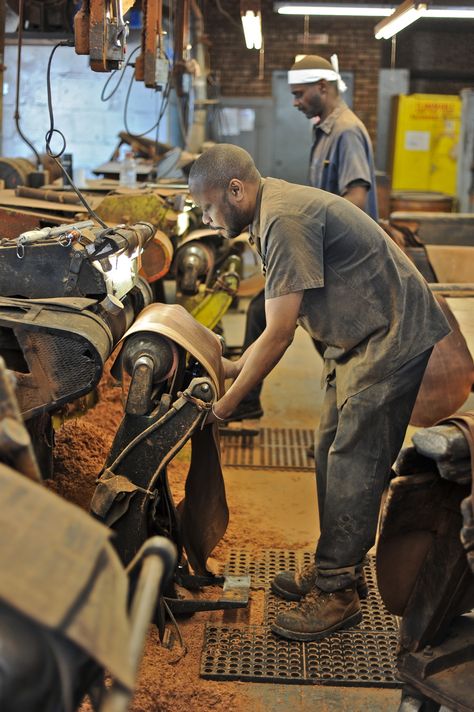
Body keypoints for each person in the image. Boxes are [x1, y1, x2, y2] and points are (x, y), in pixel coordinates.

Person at [188, 144, 449, 642]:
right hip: (356, 337)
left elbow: (280, 333)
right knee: (329, 449)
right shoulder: (266, 214)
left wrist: (223, 408)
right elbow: (275, 324)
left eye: (207, 207)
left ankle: (339, 593)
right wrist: (234, 365)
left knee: (355, 458)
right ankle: (336, 559)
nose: (207, 217)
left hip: (390, 336)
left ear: (235, 189)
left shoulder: (282, 221)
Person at [228, 53, 378, 422]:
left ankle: (243, 398)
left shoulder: (345, 131)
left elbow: (355, 199)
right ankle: (249, 395)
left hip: (341, 262)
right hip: (324, 255)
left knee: (329, 343)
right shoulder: (323, 129)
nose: (294, 102)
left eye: (299, 94)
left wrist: (304, 242)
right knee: (284, 323)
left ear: (323, 87)